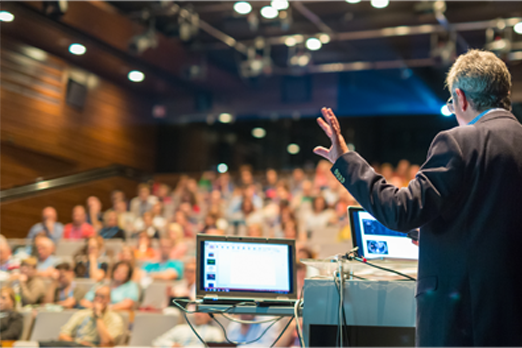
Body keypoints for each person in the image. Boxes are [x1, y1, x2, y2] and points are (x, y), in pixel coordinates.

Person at [313, 49, 522, 348]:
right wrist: (433, 234)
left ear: (461, 98)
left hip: (462, 322)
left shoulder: (460, 141)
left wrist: (345, 160)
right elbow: (488, 223)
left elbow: (400, 211)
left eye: (452, 103)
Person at [59, 285, 124, 346]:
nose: (98, 299)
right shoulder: (81, 314)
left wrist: (98, 315)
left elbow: (107, 343)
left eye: (102, 297)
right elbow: (62, 335)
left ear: (109, 299)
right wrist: (77, 344)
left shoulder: (115, 319)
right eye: (96, 295)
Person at [152, 311, 223, 348]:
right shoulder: (181, 328)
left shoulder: (214, 331)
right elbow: (158, 341)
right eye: (197, 311)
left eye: (202, 312)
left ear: (210, 316)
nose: (198, 315)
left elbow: (217, 347)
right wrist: (171, 345)